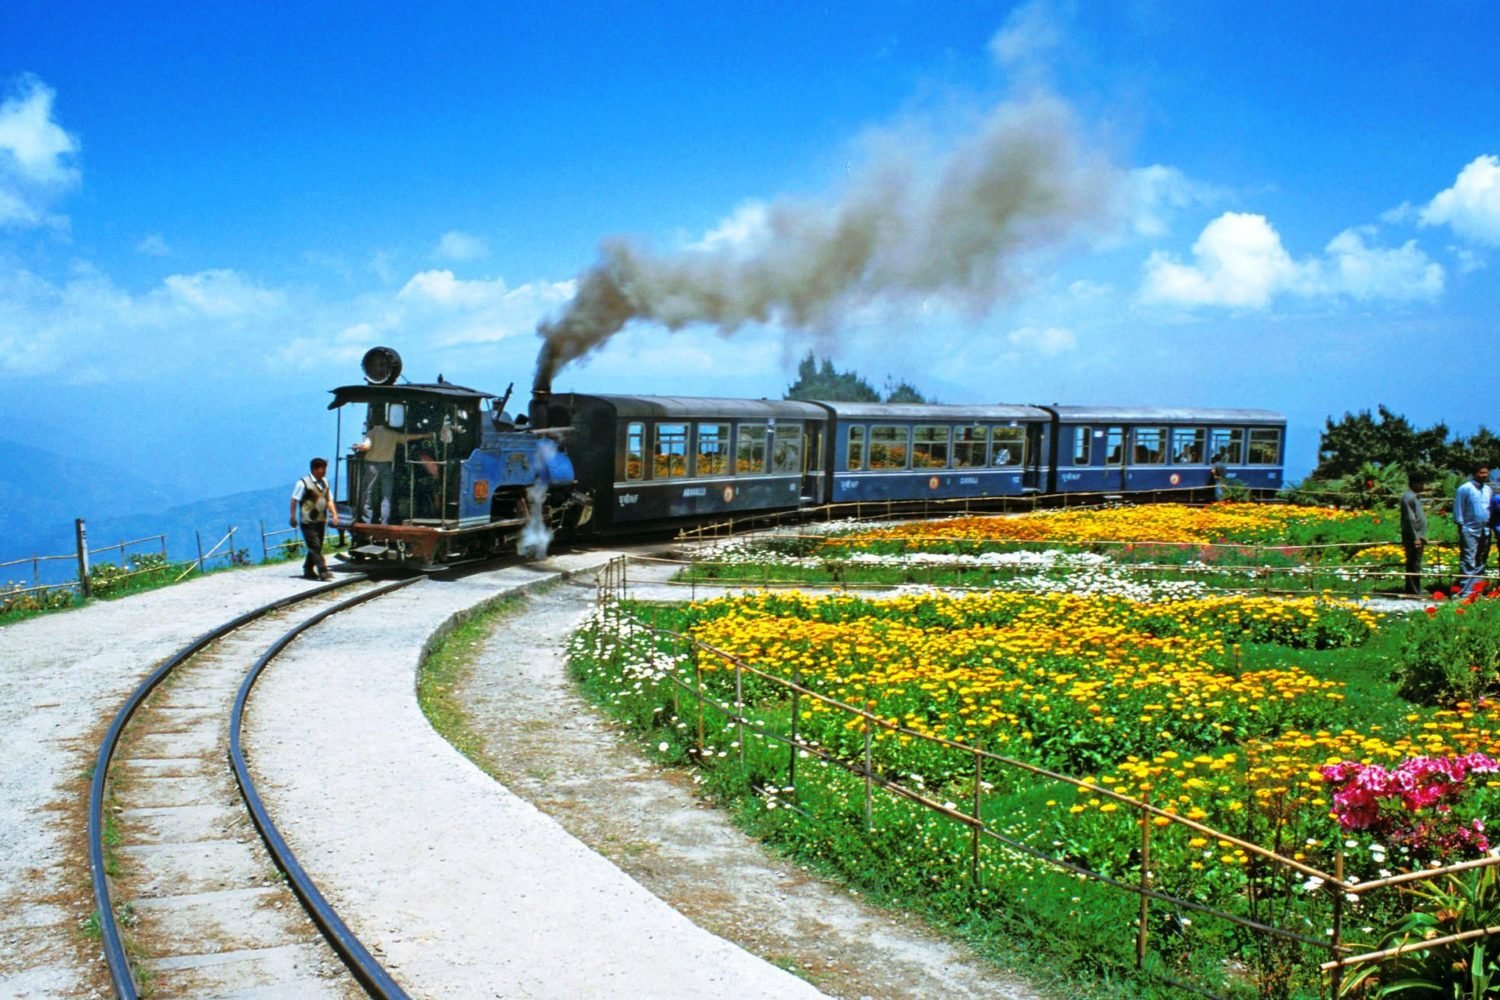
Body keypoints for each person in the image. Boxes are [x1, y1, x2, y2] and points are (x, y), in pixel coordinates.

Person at [353, 417, 429, 524]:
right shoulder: (392, 434)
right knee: (386, 495)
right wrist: (425, 435)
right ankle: (385, 521)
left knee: (368, 493)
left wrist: (357, 447)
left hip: (372, 466)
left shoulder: (372, 432)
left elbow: (367, 446)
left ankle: (367, 520)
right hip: (387, 465)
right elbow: (407, 437)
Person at [289, 457, 338, 581]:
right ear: (315, 469)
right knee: (314, 545)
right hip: (308, 521)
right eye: (322, 469)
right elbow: (294, 499)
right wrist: (293, 516)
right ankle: (323, 571)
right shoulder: (303, 483)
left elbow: (329, 500)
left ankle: (308, 568)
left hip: (321, 519)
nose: (324, 472)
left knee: (317, 546)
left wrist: (334, 514)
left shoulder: (325, 483)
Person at [1454, 465, 1492, 597]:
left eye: (1486, 473)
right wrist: (1461, 526)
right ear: (1475, 473)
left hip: (1485, 530)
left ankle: (1477, 590)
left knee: (1481, 560)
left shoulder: (1488, 490)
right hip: (1469, 529)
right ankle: (1466, 591)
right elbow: (1458, 509)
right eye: (1481, 473)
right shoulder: (1465, 489)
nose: (1484, 475)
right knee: (1468, 560)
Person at [1399, 472, 1428, 596]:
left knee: (1416, 563)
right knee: (1413, 564)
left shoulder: (1414, 497)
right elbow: (1410, 519)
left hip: (1418, 537)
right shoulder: (1408, 497)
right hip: (1413, 538)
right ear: (1414, 484)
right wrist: (1415, 537)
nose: (1423, 486)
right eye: (1421, 484)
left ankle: (1415, 588)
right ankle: (1413, 591)